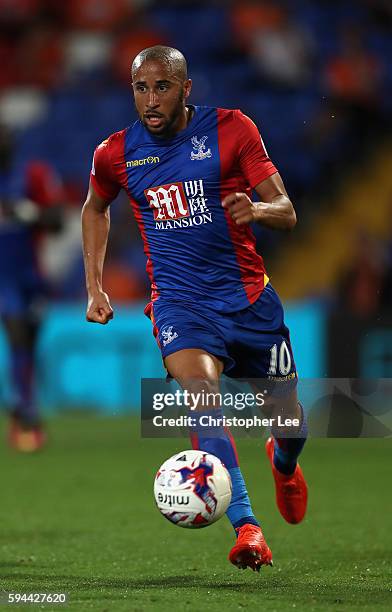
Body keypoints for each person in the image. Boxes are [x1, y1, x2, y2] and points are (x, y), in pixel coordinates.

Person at [82, 45, 308, 571]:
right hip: (180, 306)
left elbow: (287, 211)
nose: (150, 99)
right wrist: (94, 286)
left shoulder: (232, 130)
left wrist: (256, 209)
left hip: (250, 302)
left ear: (186, 88)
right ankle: (248, 528)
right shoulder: (115, 153)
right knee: (203, 398)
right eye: (141, 88)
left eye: (162, 86)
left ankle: (284, 460)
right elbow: (95, 207)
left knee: (291, 422)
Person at [0, 125, 64, 452]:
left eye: (6, 136)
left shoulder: (33, 175)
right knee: (17, 337)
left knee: (29, 344)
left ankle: (22, 406)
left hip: (31, 277)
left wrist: (28, 212)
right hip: (3, 280)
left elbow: (58, 221)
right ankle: (27, 416)